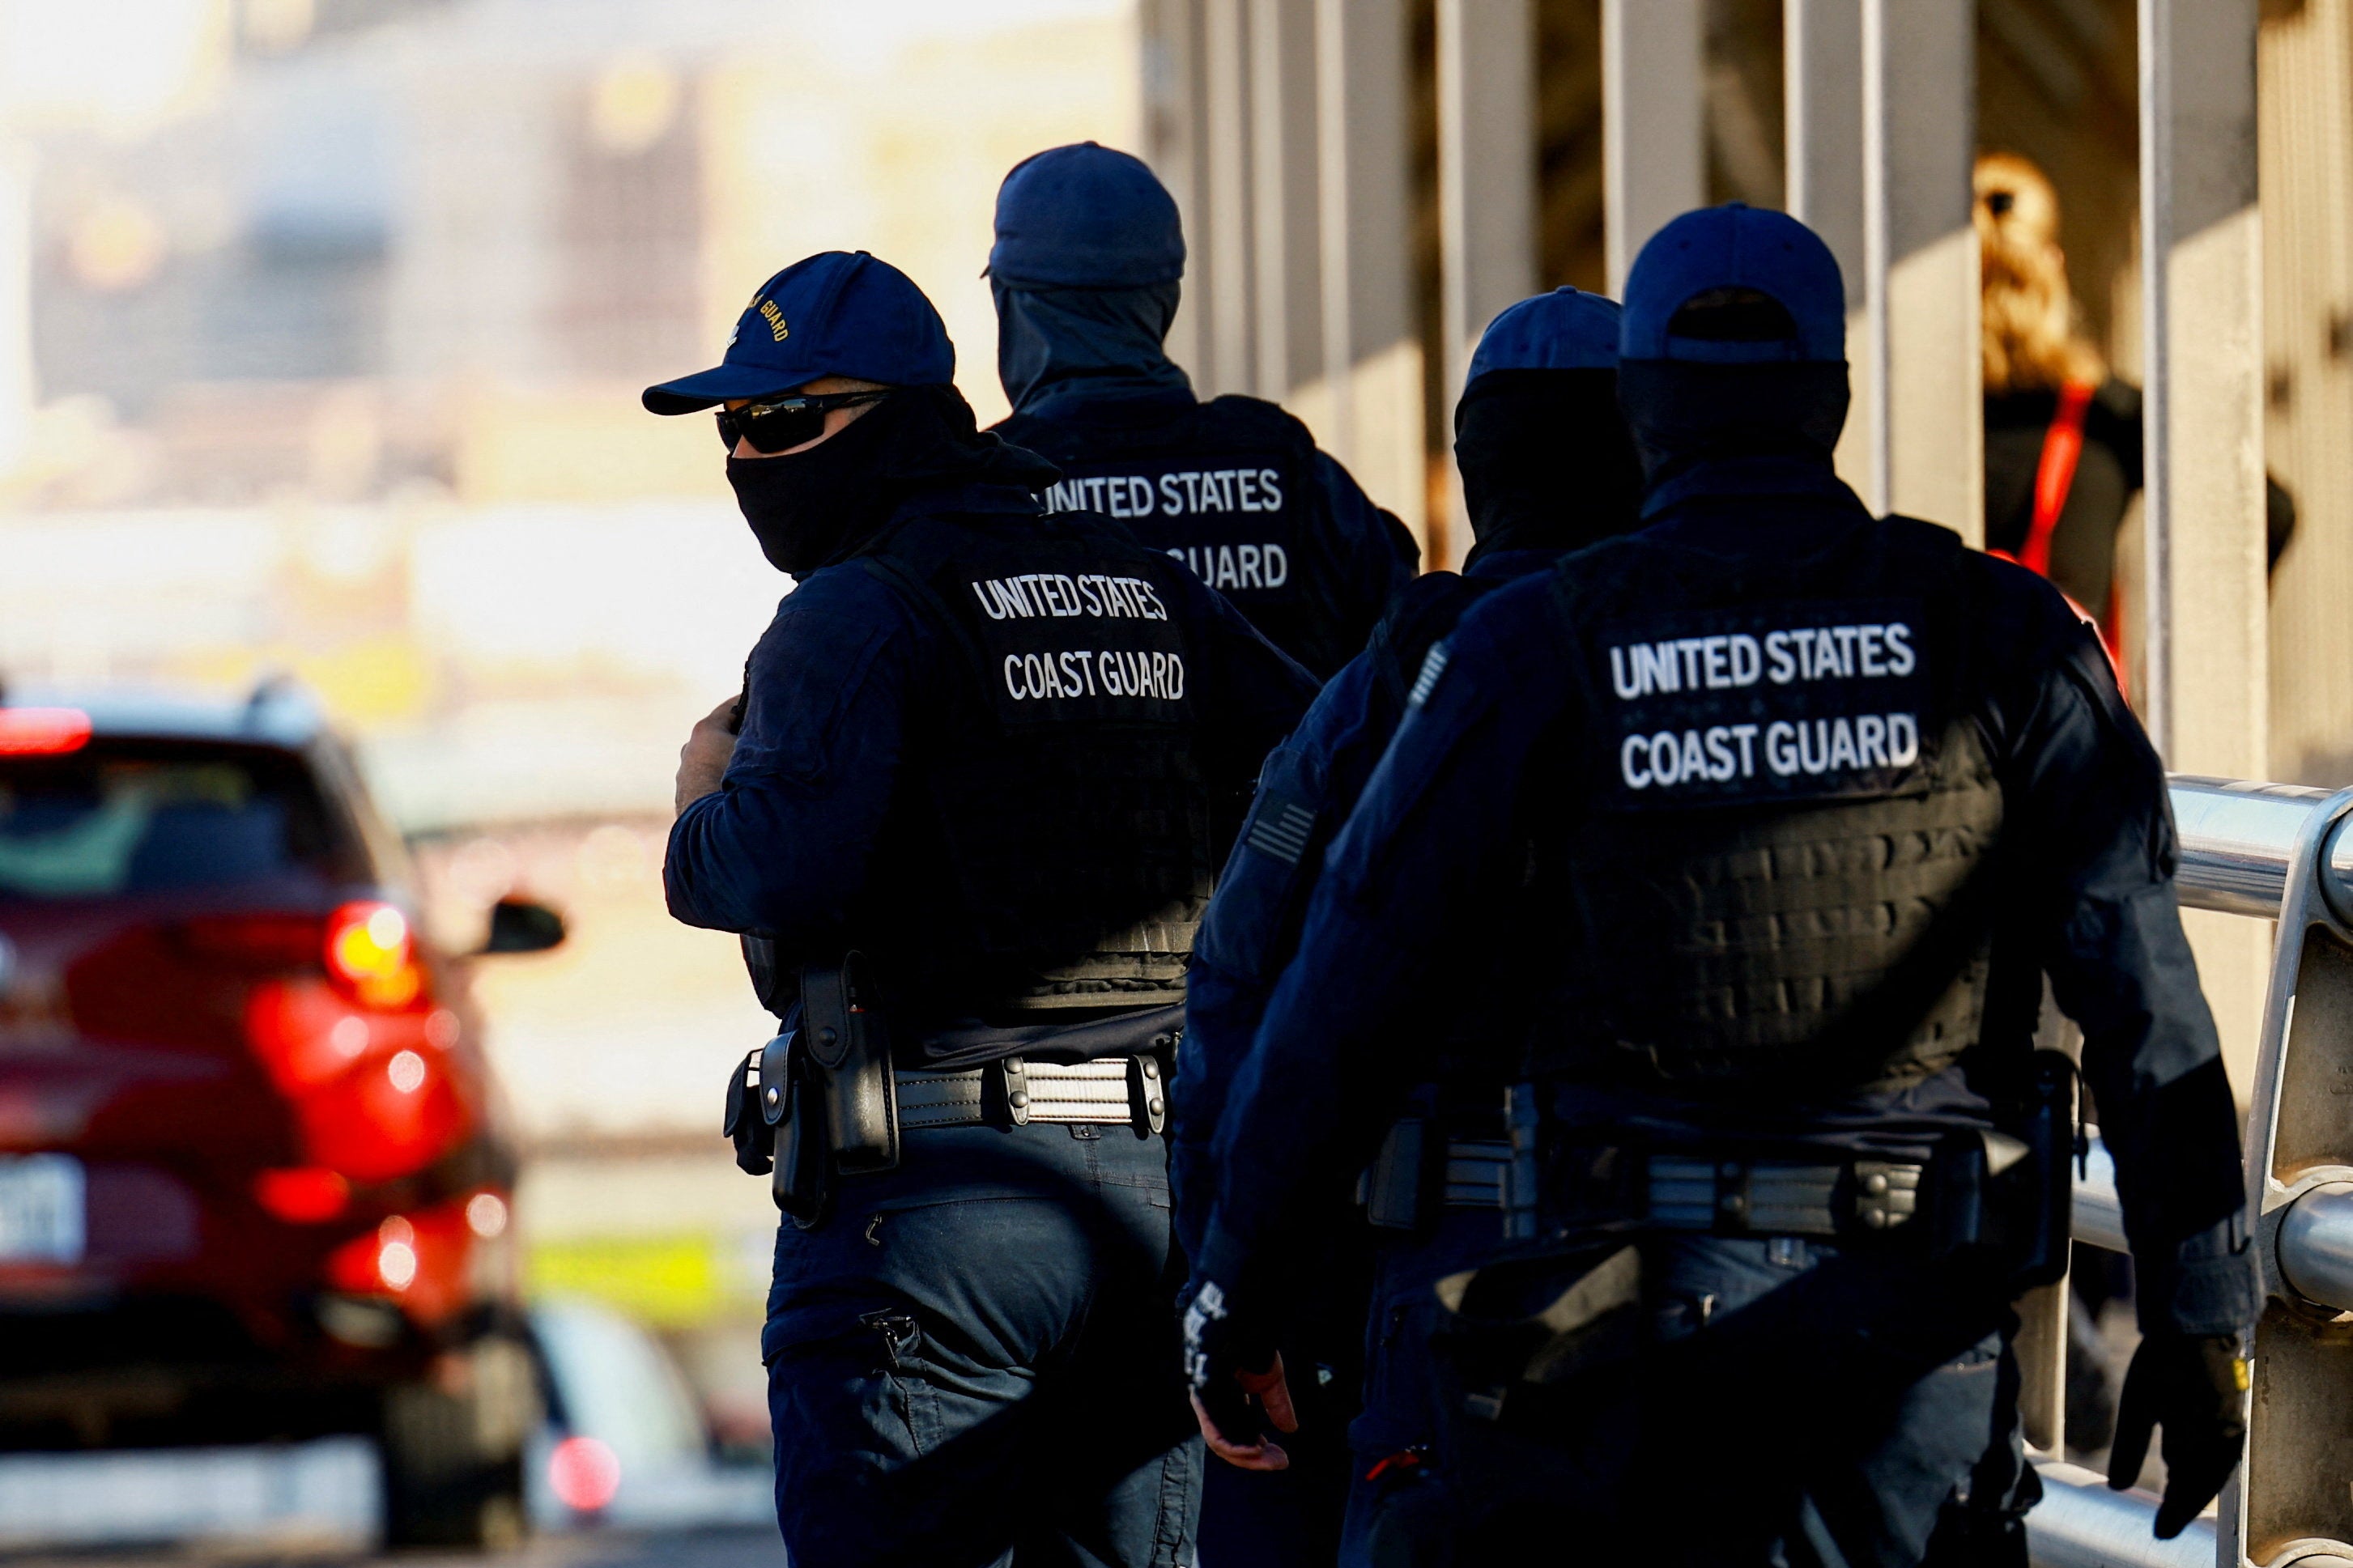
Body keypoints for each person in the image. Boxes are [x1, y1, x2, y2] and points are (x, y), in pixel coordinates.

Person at [1181, 205, 2256, 1566]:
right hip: (1899, 1346)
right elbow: (2150, 1005)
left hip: (1593, 1344)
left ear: (1646, 408)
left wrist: (1237, 1291)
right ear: (1834, 393)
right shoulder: (2001, 633)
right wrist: (2201, 1310)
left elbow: (1344, 988)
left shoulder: (1534, 648)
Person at [650, 249, 1318, 1568]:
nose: (747, 451)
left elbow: (777, 869)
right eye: (732, 426)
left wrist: (697, 806)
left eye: (780, 419)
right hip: (1156, 1204)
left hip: (931, 1215)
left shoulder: (853, 613)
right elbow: (1327, 767)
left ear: (892, 414)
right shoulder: (1141, 587)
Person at [1170, 286, 1641, 1566]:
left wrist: (1228, 1290)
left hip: (1446, 1276)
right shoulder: (1712, 654)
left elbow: (1238, 982)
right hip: (1726, 1271)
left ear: (1475, 468)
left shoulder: (1385, 689)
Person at [987, 142, 1419, 679]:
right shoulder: (1304, 480)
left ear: (1013, 303)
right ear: (1164, 298)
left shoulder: (984, 497)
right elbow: (1411, 680)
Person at [1977, 150, 2293, 652]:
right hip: (2068, 724)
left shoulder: (1908, 420)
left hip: (1932, 724)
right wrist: (2195, 661)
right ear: (2052, 261)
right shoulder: (2109, 416)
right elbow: (2269, 512)